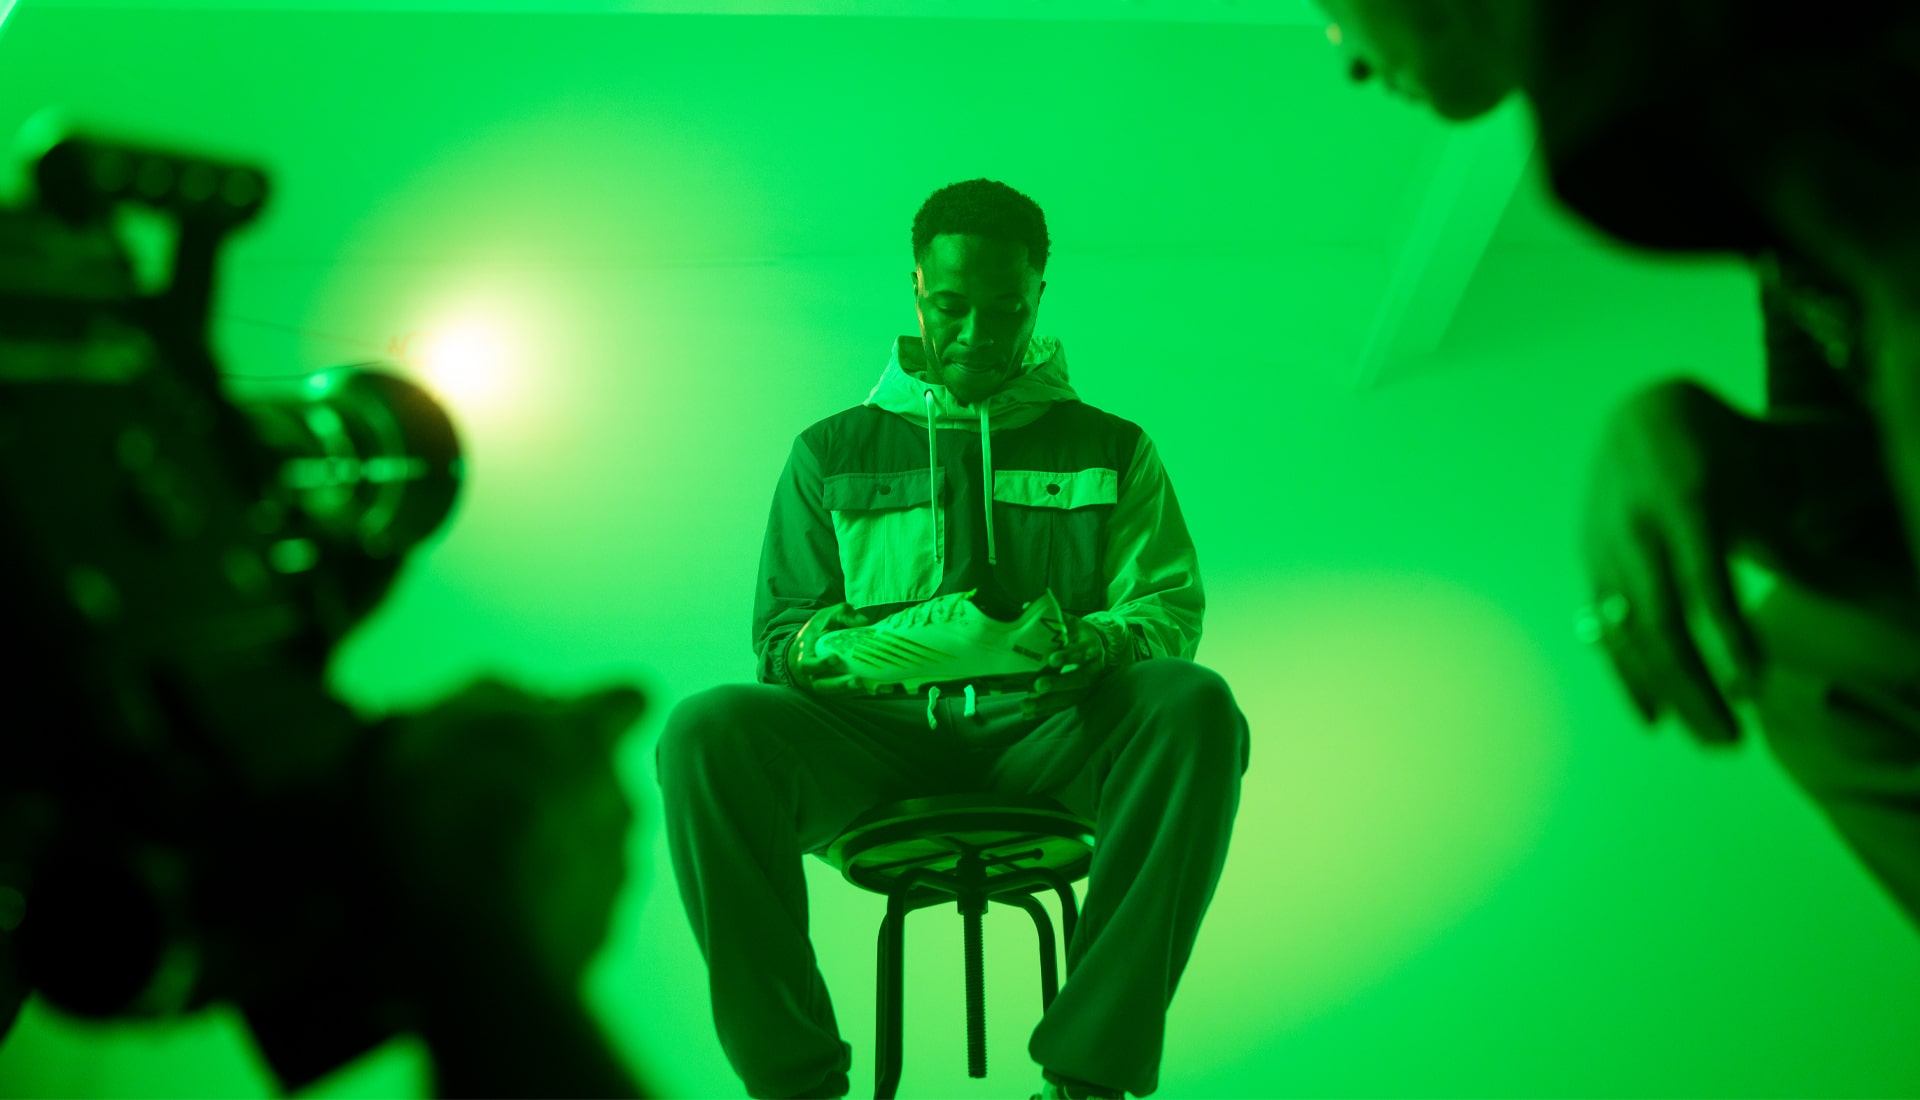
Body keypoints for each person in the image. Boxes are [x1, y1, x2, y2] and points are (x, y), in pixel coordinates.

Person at [1309, 1, 1920, 927]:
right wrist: (1698, 433)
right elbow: (1857, 503)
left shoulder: (1688, 67)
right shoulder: (1780, 226)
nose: (1351, 64)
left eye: (1333, 19)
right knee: (1813, 673)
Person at [655, 178, 1250, 1100]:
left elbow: (1167, 611)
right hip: (874, 749)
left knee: (1195, 703)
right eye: (953, 306)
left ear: (1039, 294)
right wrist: (858, 650)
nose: (978, 334)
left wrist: (1094, 645)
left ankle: (1087, 1080)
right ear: (917, 291)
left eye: (1007, 309)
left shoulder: (1113, 447)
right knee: (705, 729)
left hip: (1050, 737)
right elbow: (780, 638)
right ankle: (793, 1084)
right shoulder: (829, 452)